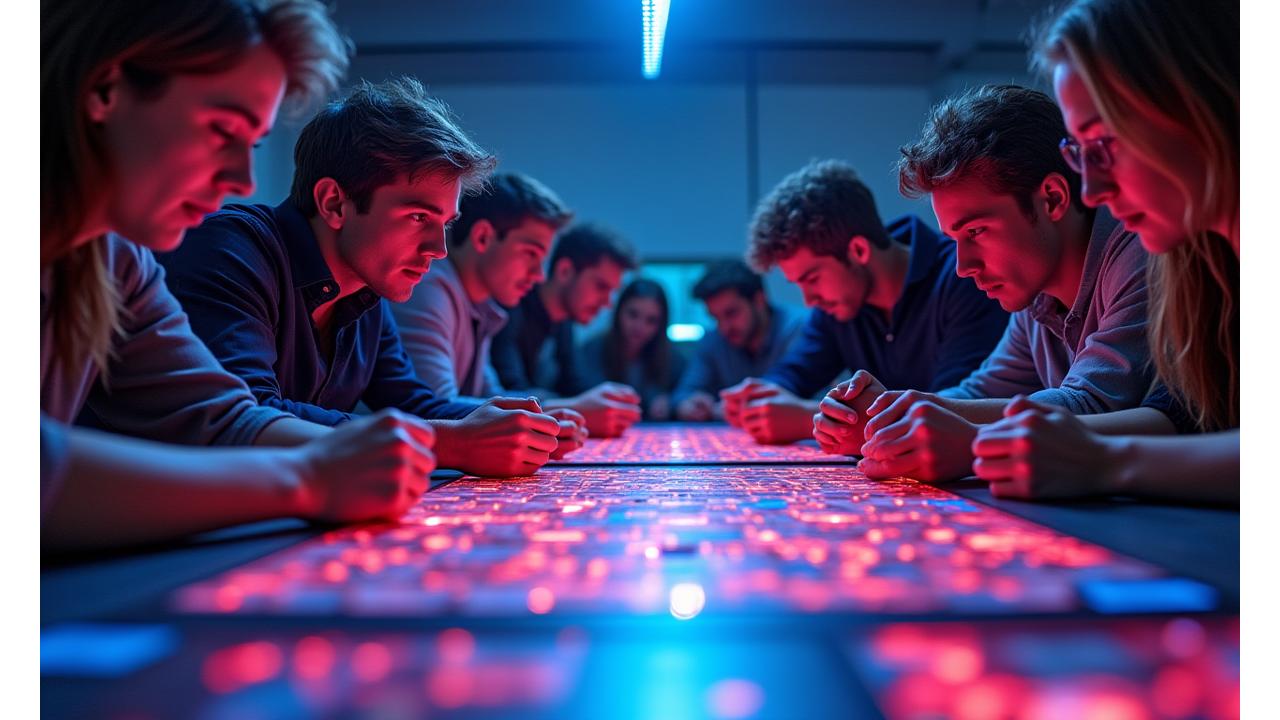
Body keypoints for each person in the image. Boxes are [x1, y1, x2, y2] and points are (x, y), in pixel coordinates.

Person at [42, 0, 437, 551]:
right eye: (221, 130)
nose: (240, 178)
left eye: (251, 144)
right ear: (106, 90)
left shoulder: (113, 259)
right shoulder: (223, 243)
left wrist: (356, 454)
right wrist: (309, 478)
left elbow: (223, 417)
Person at [160, 81, 585, 478]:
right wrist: (449, 443)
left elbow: (410, 401)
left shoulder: (365, 288)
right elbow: (249, 414)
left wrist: (511, 421)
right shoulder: (231, 249)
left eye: (445, 223)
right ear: (334, 203)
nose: (438, 249)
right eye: (418, 217)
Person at [966, 0, 1238, 503]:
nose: (1091, 189)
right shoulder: (1199, 261)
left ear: (1196, 102)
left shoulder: (1140, 251)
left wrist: (1107, 461)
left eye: (1104, 143)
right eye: (1080, 152)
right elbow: (1180, 413)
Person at [813, 85, 1152, 483]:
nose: (963, 266)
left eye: (976, 231)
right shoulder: (1035, 297)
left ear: (1053, 199)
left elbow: (1095, 403)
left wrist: (918, 414)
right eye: (954, 240)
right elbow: (978, 394)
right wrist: (884, 417)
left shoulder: (1139, 251)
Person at [720, 159, 1008, 444]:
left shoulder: (963, 277)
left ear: (858, 250)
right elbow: (796, 372)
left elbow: (958, 409)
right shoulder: (838, 306)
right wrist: (760, 396)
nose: (809, 301)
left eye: (812, 279)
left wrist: (807, 419)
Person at [392, 172, 570, 404]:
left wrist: (563, 407)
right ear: (483, 237)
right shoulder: (426, 288)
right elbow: (436, 410)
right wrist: (565, 409)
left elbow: (489, 398)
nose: (539, 276)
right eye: (530, 254)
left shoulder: (478, 306)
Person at [490, 223, 645, 437]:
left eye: (612, 291)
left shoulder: (563, 322)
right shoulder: (512, 307)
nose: (608, 303)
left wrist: (606, 402)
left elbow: (573, 387)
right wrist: (581, 406)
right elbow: (509, 395)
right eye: (601, 286)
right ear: (565, 271)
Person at [672, 260, 805, 422]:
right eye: (715, 318)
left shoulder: (799, 329)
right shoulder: (714, 340)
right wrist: (690, 405)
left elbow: (815, 400)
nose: (723, 327)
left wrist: (735, 408)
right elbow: (682, 395)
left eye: (731, 313)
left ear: (759, 300)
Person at [579, 279, 686, 420]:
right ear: (619, 312)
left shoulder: (673, 358)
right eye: (633, 314)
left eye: (651, 320)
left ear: (661, 325)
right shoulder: (591, 351)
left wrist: (670, 403)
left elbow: (684, 394)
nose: (639, 326)